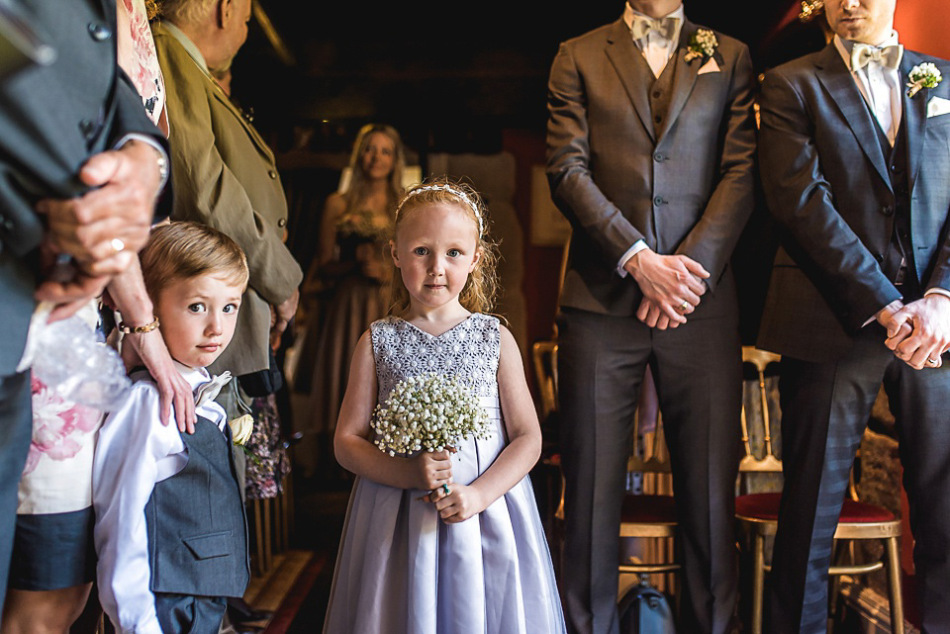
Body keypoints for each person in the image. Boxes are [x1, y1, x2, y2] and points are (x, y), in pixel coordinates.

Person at [545, 1, 756, 632]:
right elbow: (566, 167)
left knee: (712, 496)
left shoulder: (733, 54)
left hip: (701, 301)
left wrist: (684, 273)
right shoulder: (577, 53)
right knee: (588, 495)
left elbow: (741, 172)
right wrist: (637, 260)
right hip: (599, 302)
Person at [756, 0, 950, 631]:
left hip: (936, 331)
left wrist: (942, 298)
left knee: (946, 514)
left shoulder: (944, 80)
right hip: (830, 320)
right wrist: (883, 304)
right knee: (809, 520)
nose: (850, 3)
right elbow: (800, 203)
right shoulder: (790, 83)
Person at [323, 180, 565, 633]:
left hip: (484, 509)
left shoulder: (494, 338)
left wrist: (479, 495)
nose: (437, 267)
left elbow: (528, 439)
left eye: (453, 252)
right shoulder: (378, 340)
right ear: (395, 253)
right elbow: (346, 442)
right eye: (421, 251)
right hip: (398, 515)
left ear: (475, 259)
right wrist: (407, 474)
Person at [0, 0, 169, 623]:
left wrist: (142, 164)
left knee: (54, 584)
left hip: (41, 329)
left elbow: (111, 107)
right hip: (43, 319)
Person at [93, 221, 250, 634]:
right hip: (165, 605)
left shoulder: (200, 388)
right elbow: (120, 519)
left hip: (198, 597)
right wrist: (137, 622)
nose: (217, 327)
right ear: (149, 307)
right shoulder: (149, 401)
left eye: (229, 307)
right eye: (197, 306)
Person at [150, 0, 303, 415]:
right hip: (205, 302)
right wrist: (281, 279)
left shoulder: (188, 65)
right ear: (226, 9)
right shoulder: (172, 55)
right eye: (249, 21)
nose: (245, 32)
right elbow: (205, 188)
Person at [294, 123, 406, 478]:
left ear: (395, 159)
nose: (377, 157)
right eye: (370, 149)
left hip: (388, 302)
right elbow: (323, 263)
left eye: (385, 151)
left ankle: (386, 453)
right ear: (359, 155)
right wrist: (351, 264)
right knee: (344, 369)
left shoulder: (405, 203)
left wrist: (387, 273)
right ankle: (338, 461)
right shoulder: (337, 204)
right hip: (346, 303)